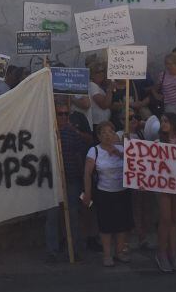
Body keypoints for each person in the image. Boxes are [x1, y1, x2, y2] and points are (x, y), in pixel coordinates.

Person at [81, 121, 132, 267]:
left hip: (122, 191)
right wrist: (88, 193)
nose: (107, 136)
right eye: (103, 133)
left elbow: (133, 164)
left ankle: (120, 252)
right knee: (106, 225)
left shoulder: (122, 149)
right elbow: (87, 173)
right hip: (104, 192)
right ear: (98, 136)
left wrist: (121, 152)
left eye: (110, 132)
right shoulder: (94, 151)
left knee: (122, 224)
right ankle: (107, 254)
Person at [46, 102, 87, 263]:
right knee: (52, 217)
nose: (63, 117)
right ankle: (52, 251)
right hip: (52, 182)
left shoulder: (73, 133)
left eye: (66, 114)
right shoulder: (47, 132)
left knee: (73, 216)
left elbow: (79, 154)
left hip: (71, 179)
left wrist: (81, 178)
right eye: (60, 114)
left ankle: (75, 249)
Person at [153, 114, 176, 273]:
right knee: (165, 218)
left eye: (166, 121)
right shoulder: (158, 142)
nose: (163, 124)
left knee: (173, 219)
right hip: (163, 185)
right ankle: (161, 253)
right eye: (162, 121)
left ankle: (172, 253)